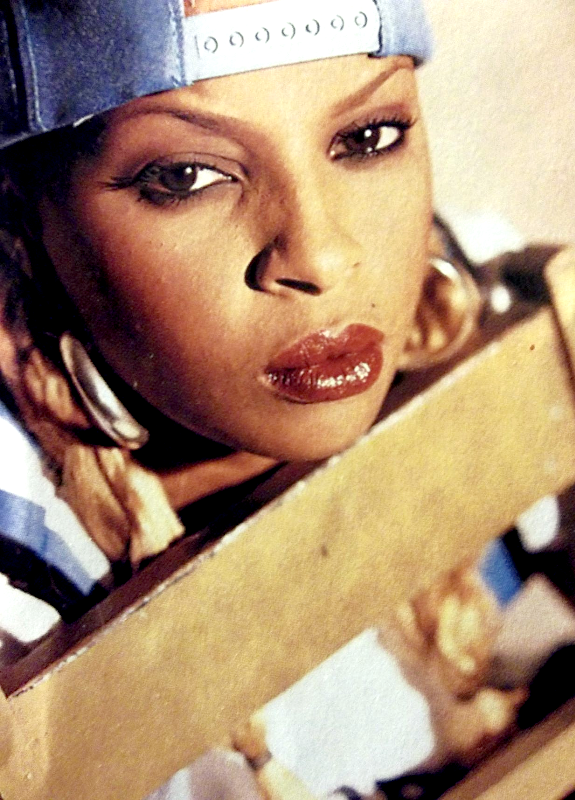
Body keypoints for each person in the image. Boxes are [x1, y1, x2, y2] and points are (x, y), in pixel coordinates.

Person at [0, 1, 521, 797]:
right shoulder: (17, 572)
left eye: (366, 136)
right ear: (21, 216)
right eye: (184, 176)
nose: (321, 256)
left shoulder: (491, 306)